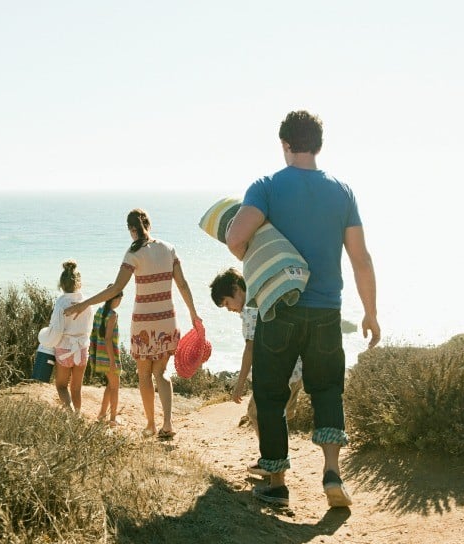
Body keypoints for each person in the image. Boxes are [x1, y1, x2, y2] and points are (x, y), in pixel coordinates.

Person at [225, 110, 381, 508]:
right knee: (328, 389)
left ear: (285, 144)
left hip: (279, 311)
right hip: (327, 311)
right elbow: (361, 259)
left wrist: (260, 255)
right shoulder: (342, 192)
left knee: (271, 393)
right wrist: (370, 313)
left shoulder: (268, 187)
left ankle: (277, 482)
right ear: (318, 144)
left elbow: (236, 237)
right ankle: (332, 474)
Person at [65, 208, 201, 439]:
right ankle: (168, 424)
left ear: (132, 230)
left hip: (144, 323)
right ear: (149, 223)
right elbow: (183, 285)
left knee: (144, 375)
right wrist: (194, 315)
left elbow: (116, 289)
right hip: (167, 319)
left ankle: (151, 425)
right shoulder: (168, 249)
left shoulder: (133, 253)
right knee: (161, 372)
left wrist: (83, 304)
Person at [210, 267, 303, 477]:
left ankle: (271, 462)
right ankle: (274, 460)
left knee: (257, 414)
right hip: (295, 370)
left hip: (279, 374)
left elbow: (250, 349)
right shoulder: (264, 294)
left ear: (236, 289)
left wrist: (239, 384)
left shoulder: (250, 311)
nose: (228, 309)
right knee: (279, 418)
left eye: (226, 303)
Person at [38, 260, 94, 413]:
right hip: (82, 349)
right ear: (79, 284)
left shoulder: (61, 303)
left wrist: (43, 336)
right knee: (76, 388)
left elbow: (56, 331)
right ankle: (77, 415)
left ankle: (69, 411)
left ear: (61, 285)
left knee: (61, 386)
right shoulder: (87, 303)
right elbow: (89, 329)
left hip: (64, 349)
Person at [88, 285, 124, 426]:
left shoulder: (100, 311)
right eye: (120, 298)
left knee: (110, 385)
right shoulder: (112, 315)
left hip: (99, 355)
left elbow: (96, 335)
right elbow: (108, 339)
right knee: (115, 387)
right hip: (108, 356)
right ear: (116, 299)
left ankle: (102, 414)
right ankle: (113, 418)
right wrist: (112, 360)